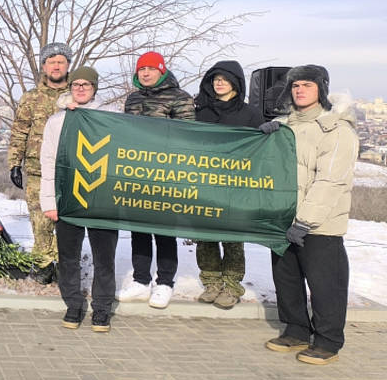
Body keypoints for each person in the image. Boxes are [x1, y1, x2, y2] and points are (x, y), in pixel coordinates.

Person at [262, 65, 358, 365]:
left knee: (324, 284)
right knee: (287, 279)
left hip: (319, 225)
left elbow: (331, 181)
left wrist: (306, 221)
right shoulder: (285, 126)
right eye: (295, 86)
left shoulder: (337, 129)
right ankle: (296, 331)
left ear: (322, 90)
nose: (299, 90)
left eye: (307, 85)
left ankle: (328, 341)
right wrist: (262, 138)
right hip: (283, 219)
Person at [39, 66, 119, 332]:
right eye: (76, 84)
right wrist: (49, 202)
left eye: (86, 84)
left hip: (102, 200)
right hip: (68, 199)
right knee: (68, 257)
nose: (81, 88)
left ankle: (102, 309)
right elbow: (48, 162)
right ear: (70, 88)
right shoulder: (57, 121)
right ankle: (73, 304)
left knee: (104, 258)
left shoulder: (111, 118)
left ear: (95, 88)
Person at [120, 51, 195, 308]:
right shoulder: (133, 99)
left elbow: (188, 136)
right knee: (139, 230)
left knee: (164, 231)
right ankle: (141, 281)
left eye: (151, 69)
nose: (146, 73)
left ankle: (164, 283)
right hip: (137, 173)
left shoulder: (180, 98)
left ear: (162, 71)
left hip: (166, 175)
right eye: (142, 70)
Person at [193, 60, 264, 309]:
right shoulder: (200, 111)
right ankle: (211, 282)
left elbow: (261, 150)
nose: (219, 82)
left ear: (236, 82)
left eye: (225, 78)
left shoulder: (250, 114)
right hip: (203, 183)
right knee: (205, 237)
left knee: (233, 239)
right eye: (215, 78)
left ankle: (232, 285)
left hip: (236, 186)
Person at [7, 42, 72, 284]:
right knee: (40, 219)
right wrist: (14, 162)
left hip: (69, 169)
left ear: (68, 65)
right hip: (37, 169)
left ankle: (66, 264)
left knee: (66, 220)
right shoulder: (31, 98)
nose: (56, 66)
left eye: (61, 61)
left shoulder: (76, 95)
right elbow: (20, 131)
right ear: (44, 66)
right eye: (51, 61)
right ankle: (44, 265)